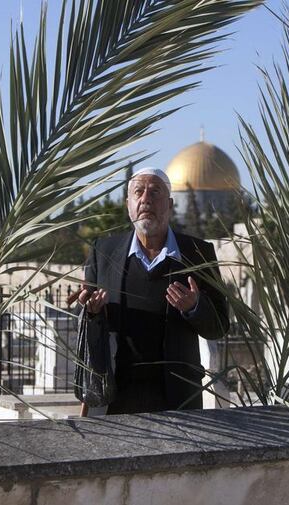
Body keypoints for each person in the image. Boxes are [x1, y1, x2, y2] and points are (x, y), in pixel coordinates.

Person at [78, 167, 229, 415]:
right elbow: (87, 320)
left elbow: (220, 326)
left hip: (178, 400)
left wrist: (195, 307)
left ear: (169, 203)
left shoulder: (197, 254)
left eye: (154, 192)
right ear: (129, 204)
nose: (145, 199)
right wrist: (91, 311)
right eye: (138, 192)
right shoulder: (104, 251)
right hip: (114, 398)